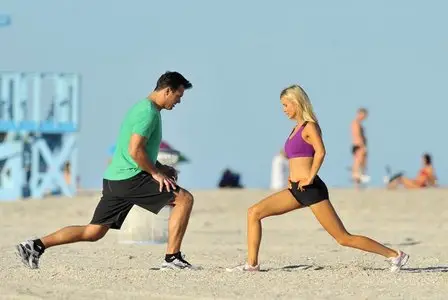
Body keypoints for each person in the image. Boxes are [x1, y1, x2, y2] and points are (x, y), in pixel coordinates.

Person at [16, 71, 198, 270]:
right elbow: (134, 150)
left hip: (116, 180)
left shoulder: (143, 108)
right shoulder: (148, 112)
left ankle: (35, 246)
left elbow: (139, 151)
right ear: (167, 91)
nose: (179, 101)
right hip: (131, 178)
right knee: (184, 199)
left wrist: (161, 167)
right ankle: (172, 258)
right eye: (178, 96)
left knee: (93, 232)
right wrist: (155, 173)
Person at [227, 84, 409, 272]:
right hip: (296, 189)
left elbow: (321, 152)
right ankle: (252, 264)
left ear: (297, 103)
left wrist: (310, 177)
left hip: (312, 189)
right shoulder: (294, 129)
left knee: (343, 238)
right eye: (282, 106)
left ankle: (395, 255)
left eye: (286, 105)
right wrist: (292, 178)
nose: (284, 110)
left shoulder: (310, 126)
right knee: (254, 212)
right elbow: (296, 159)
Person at [351, 108, 370, 188]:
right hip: (359, 146)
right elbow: (357, 136)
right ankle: (357, 184)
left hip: (358, 146)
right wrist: (363, 146)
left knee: (360, 164)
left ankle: (358, 184)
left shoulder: (357, 123)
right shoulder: (356, 123)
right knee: (359, 164)